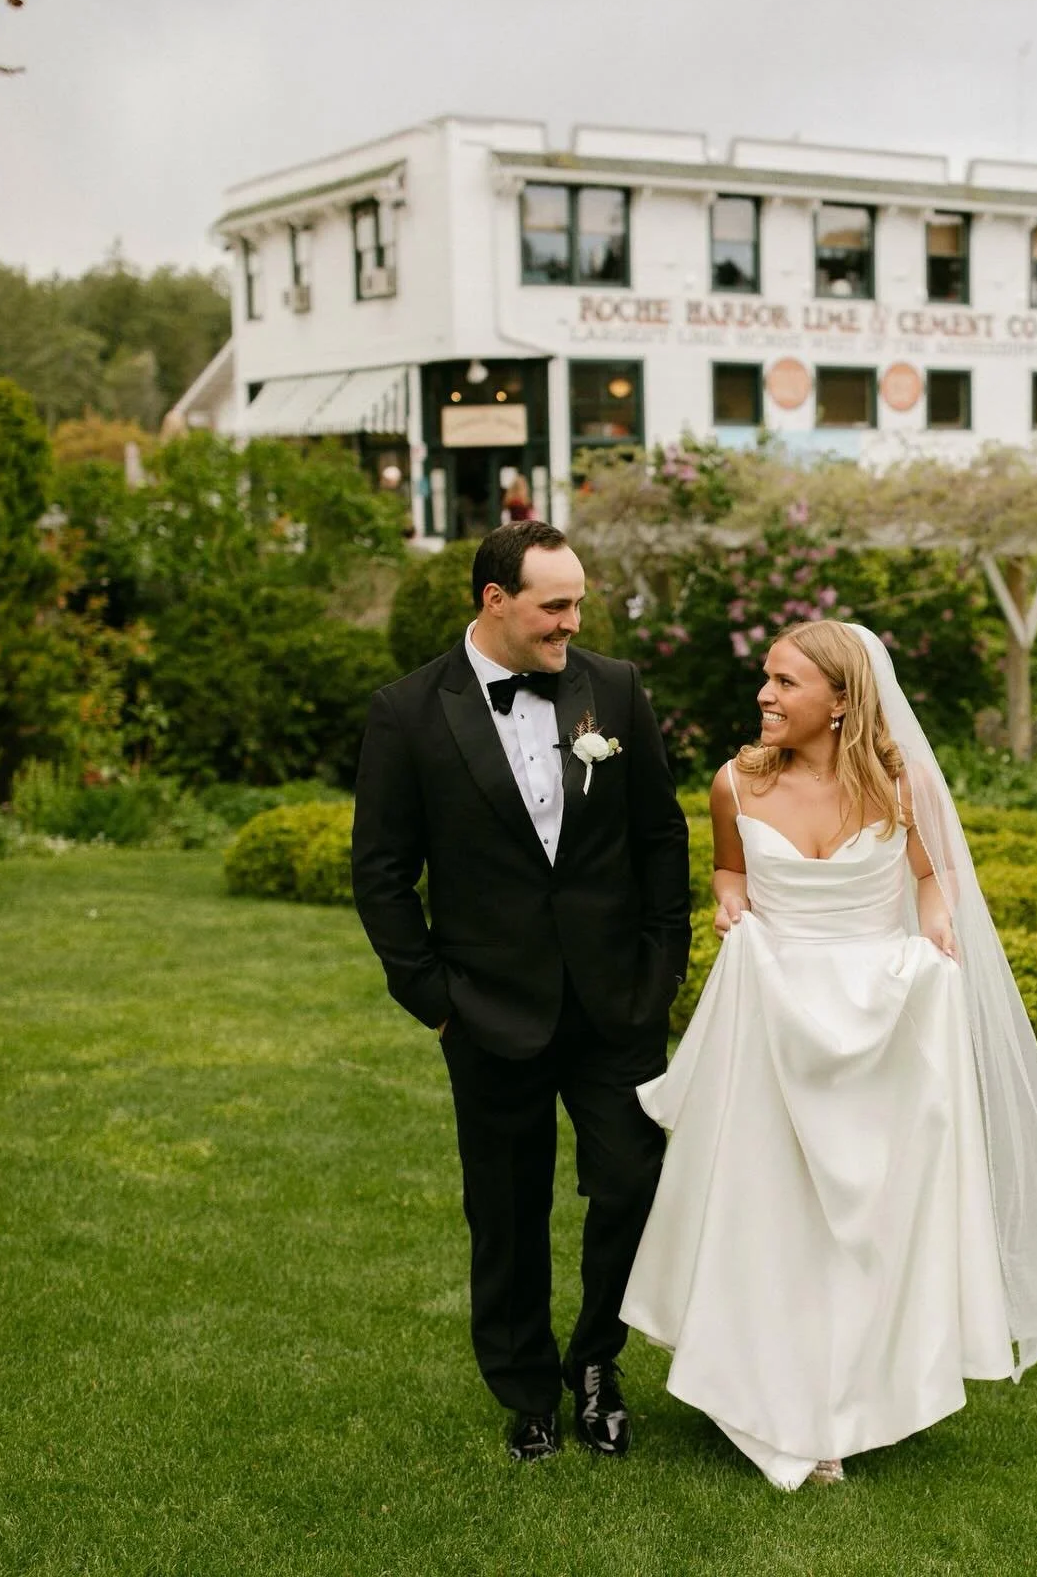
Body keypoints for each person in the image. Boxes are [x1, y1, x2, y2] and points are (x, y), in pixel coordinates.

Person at [621, 620, 1037, 1489]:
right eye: (766, 677)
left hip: (880, 1024)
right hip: (775, 1021)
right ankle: (774, 1396)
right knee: (773, 1214)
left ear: (841, 702)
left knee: (865, 1224)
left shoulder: (904, 788)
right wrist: (729, 904)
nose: (764, 695)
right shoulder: (734, 784)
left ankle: (852, 1396)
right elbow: (729, 873)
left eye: (786, 683)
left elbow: (929, 875)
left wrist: (937, 913)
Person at [351, 521, 691, 1463]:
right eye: (555, 605)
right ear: (494, 601)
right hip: (487, 1008)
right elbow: (381, 873)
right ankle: (526, 1388)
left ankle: (595, 1366)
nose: (572, 623)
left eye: (578, 602)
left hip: (616, 1002)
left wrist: (663, 967)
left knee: (630, 1183)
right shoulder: (408, 712)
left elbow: (660, 835)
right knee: (504, 1206)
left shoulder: (613, 687)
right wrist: (435, 997)